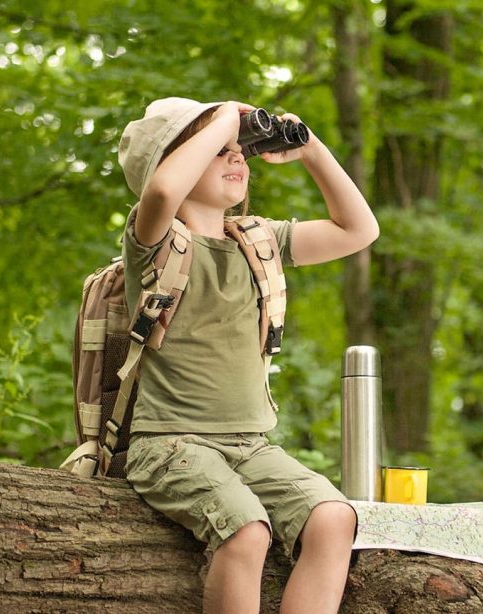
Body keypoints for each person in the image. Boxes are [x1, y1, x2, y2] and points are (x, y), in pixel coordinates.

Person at [116, 97, 379, 614]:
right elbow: (165, 189)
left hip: (251, 445)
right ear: (177, 156)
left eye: (242, 150)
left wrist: (310, 149)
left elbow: (359, 231)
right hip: (171, 443)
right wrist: (222, 118)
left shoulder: (257, 241)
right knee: (246, 530)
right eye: (220, 151)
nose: (237, 158)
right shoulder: (153, 241)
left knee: (333, 518)